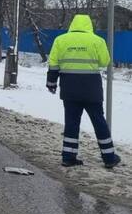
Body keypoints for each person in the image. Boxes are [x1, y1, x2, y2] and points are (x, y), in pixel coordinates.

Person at [46, 14, 121, 169]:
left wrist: (51, 82)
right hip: (91, 90)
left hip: (69, 89)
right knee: (99, 122)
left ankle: (68, 157)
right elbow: (104, 61)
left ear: (72, 24)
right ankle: (109, 158)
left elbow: (53, 63)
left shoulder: (61, 40)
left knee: (71, 123)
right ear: (89, 25)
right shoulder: (97, 41)